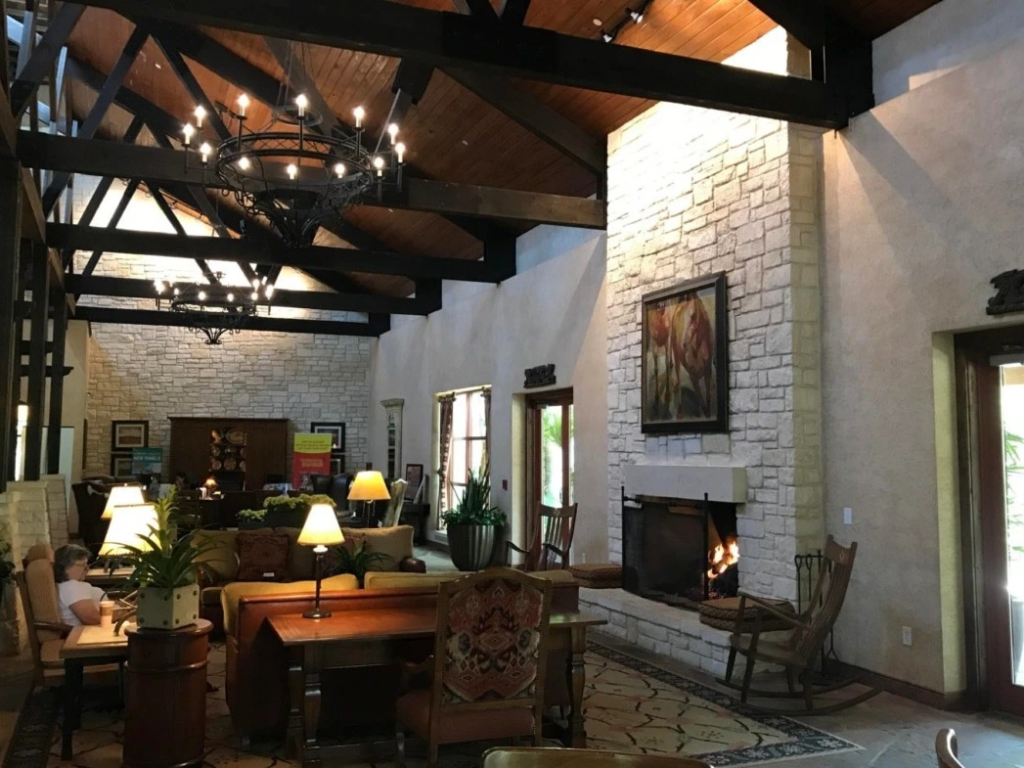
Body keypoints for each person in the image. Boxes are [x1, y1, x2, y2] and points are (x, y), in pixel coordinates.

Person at [54, 544, 104, 626]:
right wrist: (123, 613)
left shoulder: (70, 586)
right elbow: (91, 617)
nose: (87, 569)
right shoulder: (71, 586)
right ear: (66, 567)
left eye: (87, 565)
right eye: (82, 565)